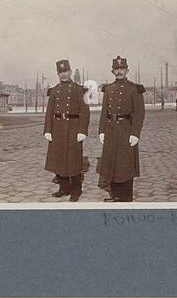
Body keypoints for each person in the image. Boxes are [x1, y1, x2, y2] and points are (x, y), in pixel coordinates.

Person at [97, 56, 146, 203]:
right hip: (111, 130)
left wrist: (135, 133)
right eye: (116, 69)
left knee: (125, 164)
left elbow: (139, 113)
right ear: (112, 71)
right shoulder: (109, 89)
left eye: (122, 69)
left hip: (126, 129)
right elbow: (104, 112)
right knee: (112, 162)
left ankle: (126, 197)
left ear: (127, 70)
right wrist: (102, 131)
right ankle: (115, 195)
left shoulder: (134, 89)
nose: (119, 72)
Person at [42, 58, 90, 201]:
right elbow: (49, 112)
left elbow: (85, 112)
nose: (63, 74)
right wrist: (48, 130)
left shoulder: (79, 90)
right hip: (58, 128)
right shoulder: (54, 91)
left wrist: (82, 130)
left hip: (74, 128)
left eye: (66, 71)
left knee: (74, 159)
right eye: (60, 72)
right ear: (58, 74)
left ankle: (76, 190)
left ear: (70, 71)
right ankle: (63, 188)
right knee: (59, 159)